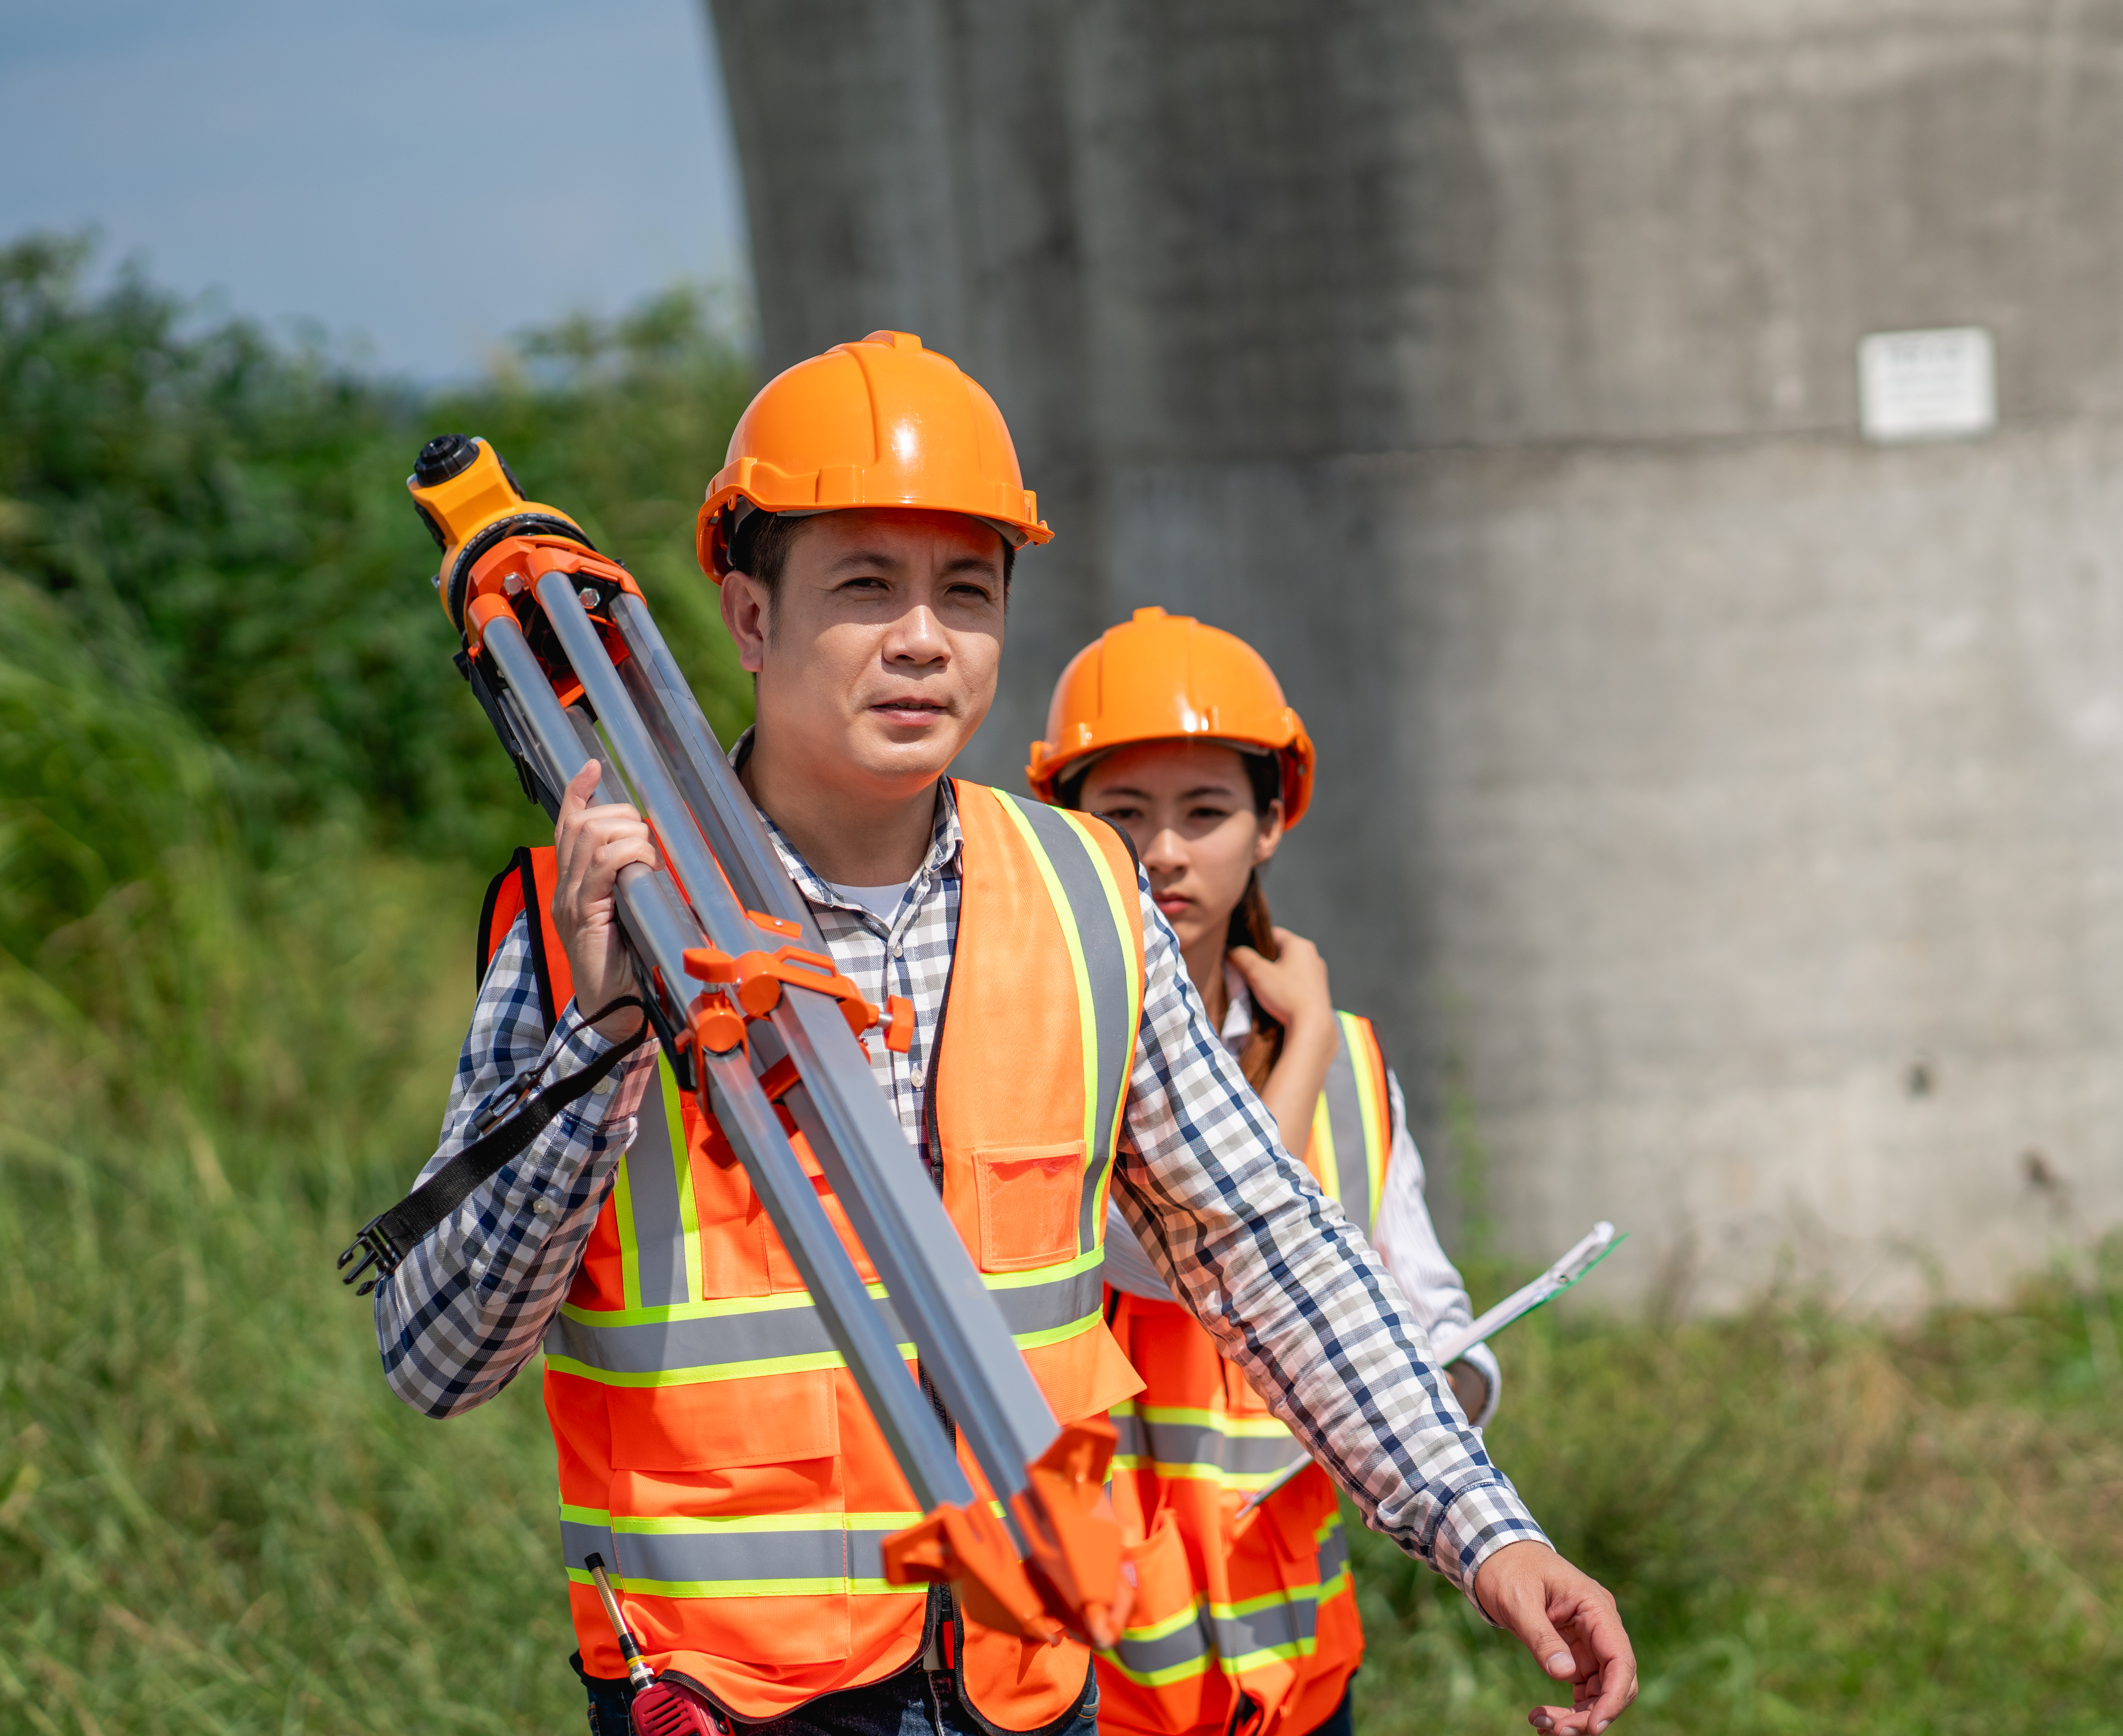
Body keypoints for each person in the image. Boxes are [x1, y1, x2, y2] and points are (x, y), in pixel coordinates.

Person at [371, 332, 1636, 1736]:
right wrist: (604, 1039)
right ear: (745, 615)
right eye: (865, 586)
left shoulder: (1086, 896)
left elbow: (1258, 1243)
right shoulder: (592, 914)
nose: (923, 637)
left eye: (965, 592)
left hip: (1027, 1685)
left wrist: (1484, 1528)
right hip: (723, 1699)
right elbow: (439, 1355)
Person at [1030, 608, 1501, 1736]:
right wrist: (1301, 1061)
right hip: (1091, 1674)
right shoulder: (1040, 1049)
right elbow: (1169, 1258)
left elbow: (1433, 1318)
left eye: (1205, 812)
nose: (1165, 853)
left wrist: (1440, 1392)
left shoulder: (1351, 1065)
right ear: (1067, 825)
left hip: (1289, 1670)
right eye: (1124, 814)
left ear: (1270, 821)